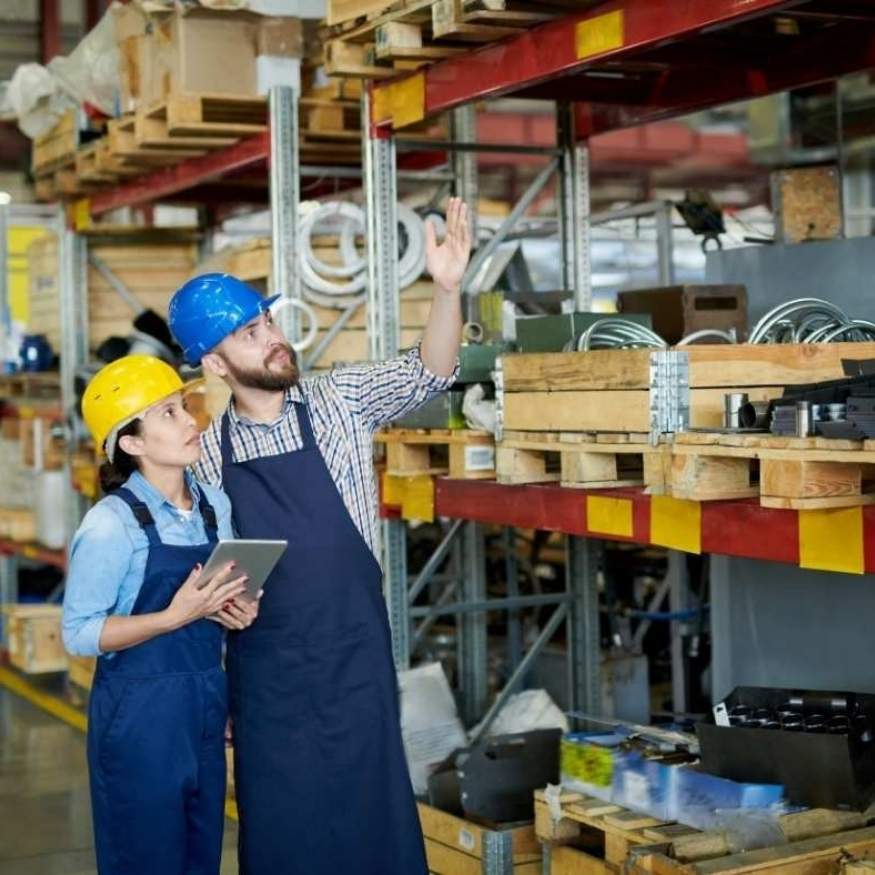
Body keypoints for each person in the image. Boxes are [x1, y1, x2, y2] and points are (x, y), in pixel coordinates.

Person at [167, 197, 472, 874]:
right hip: (267, 686)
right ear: (214, 365)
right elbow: (193, 574)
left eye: (268, 319)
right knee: (285, 841)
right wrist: (216, 608)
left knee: (376, 833)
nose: (273, 336)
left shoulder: (338, 401)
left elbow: (430, 368)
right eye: (249, 333)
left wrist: (446, 290)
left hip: (356, 666)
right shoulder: (207, 455)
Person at [62, 354, 260, 875]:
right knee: (146, 860)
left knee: (202, 858)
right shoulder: (111, 524)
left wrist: (240, 606)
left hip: (204, 706)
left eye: (185, 406)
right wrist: (172, 616)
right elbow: (80, 633)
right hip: (139, 720)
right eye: (169, 414)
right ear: (132, 443)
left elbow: (227, 597)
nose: (191, 420)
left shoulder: (215, 506)